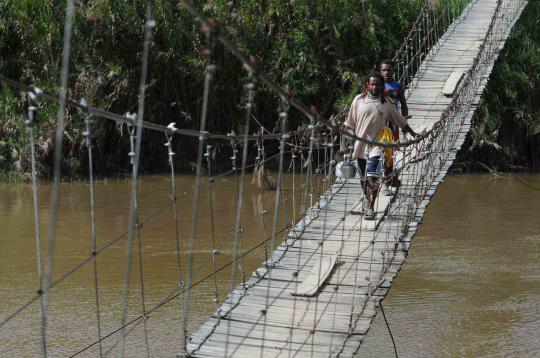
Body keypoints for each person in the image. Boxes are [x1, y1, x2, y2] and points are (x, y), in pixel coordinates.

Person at [341, 71, 417, 220]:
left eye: (378, 84)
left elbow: (399, 120)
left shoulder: (386, 103)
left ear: (382, 86)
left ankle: (370, 207)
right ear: (367, 85)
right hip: (360, 144)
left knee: (372, 177)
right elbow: (348, 124)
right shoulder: (358, 100)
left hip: (378, 145)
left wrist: (414, 134)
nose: (375, 86)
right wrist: (343, 145)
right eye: (372, 84)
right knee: (363, 178)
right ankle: (368, 199)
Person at [380, 59, 409, 196]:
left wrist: (404, 124)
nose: (386, 72)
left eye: (389, 70)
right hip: (377, 124)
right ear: (380, 71)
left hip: (392, 125)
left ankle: (385, 183)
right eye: (384, 70)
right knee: (376, 153)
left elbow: (403, 105)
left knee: (388, 155)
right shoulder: (374, 85)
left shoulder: (398, 86)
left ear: (393, 71)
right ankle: (382, 179)